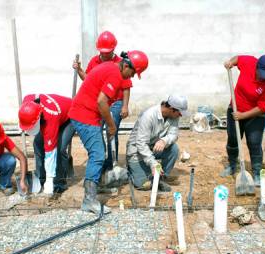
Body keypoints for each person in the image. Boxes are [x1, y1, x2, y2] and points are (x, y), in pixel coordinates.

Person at [68, 50, 148, 214]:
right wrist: (111, 126)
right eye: (133, 73)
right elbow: (101, 102)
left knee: (98, 153)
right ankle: (89, 200)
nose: (132, 77)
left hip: (86, 114)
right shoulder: (115, 75)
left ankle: (96, 186)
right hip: (84, 116)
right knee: (97, 154)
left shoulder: (110, 67)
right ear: (126, 65)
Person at [73, 31, 132, 171]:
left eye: (108, 51)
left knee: (112, 129)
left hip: (115, 102)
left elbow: (126, 86)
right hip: (98, 102)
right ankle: (100, 160)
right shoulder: (94, 61)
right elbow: (88, 79)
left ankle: (112, 163)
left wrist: (124, 106)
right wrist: (80, 69)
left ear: (114, 49)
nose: (105, 54)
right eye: (103, 51)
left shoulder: (121, 63)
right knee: (96, 131)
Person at [221, 55, 265, 186]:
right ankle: (232, 165)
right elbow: (238, 59)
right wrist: (230, 62)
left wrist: (242, 116)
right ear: (257, 67)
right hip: (235, 108)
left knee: (254, 142)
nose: (264, 77)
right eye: (262, 73)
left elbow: (262, 108)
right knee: (233, 138)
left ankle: (257, 172)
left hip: (256, 114)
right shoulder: (249, 62)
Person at [126, 95, 189, 191]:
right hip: (137, 152)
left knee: (173, 149)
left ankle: (161, 177)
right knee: (144, 185)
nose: (180, 116)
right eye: (179, 113)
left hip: (153, 148)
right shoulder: (149, 116)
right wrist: (153, 163)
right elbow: (141, 144)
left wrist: (164, 140)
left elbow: (174, 134)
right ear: (172, 109)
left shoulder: (173, 116)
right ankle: (131, 171)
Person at [18, 94, 73, 196]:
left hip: (70, 116)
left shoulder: (50, 119)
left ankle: (59, 182)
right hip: (49, 115)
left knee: (59, 148)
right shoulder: (27, 103)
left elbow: (50, 153)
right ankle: (40, 178)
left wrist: (50, 180)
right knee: (37, 144)